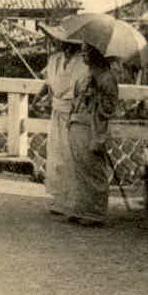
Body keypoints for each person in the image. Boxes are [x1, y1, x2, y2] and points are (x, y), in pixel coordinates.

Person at [66, 44, 120, 227]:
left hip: (93, 126)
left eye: (87, 51)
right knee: (79, 167)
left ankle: (96, 211)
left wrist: (96, 96)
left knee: (93, 168)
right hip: (77, 122)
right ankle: (80, 207)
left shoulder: (107, 78)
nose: (83, 54)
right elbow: (74, 98)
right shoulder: (84, 77)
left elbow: (110, 107)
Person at [36, 27, 88, 217]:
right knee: (57, 155)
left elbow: (82, 88)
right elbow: (49, 83)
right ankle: (59, 199)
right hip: (57, 111)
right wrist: (38, 97)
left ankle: (76, 203)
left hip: (73, 112)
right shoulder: (54, 60)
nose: (56, 43)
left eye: (59, 40)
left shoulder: (83, 62)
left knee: (72, 157)